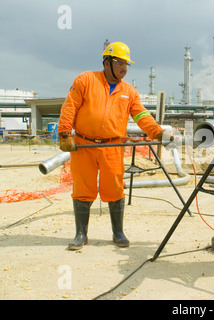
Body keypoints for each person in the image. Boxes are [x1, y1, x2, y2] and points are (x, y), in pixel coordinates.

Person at [58, 42, 169, 250]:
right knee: (82, 187)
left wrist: (158, 132)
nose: (124, 68)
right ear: (107, 62)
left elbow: (142, 116)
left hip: (112, 146)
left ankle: (118, 232)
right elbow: (69, 107)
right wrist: (64, 133)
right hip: (84, 145)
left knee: (115, 188)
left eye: (126, 64)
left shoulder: (129, 92)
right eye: (120, 63)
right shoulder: (85, 80)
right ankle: (81, 234)